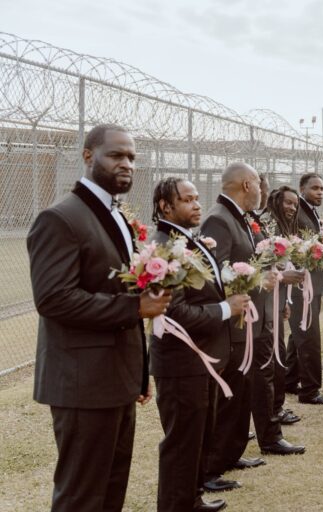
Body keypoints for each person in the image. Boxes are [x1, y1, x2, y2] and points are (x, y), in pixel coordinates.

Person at [27, 124, 172, 511]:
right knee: (82, 495)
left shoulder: (115, 215)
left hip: (114, 379)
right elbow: (54, 299)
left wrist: (137, 374)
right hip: (83, 382)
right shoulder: (60, 218)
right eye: (116, 155)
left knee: (110, 491)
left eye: (132, 158)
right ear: (88, 156)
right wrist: (135, 308)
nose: (127, 164)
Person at [150, 178, 252, 512]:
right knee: (182, 441)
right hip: (180, 360)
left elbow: (201, 290)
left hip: (201, 356)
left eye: (197, 198)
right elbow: (173, 310)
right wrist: (226, 308)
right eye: (187, 200)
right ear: (166, 206)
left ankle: (191, 498)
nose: (196, 205)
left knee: (198, 436)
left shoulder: (185, 240)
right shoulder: (163, 247)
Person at [201, 162, 276, 491]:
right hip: (231, 325)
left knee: (240, 393)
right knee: (226, 395)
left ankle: (231, 453)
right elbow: (219, 274)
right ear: (247, 185)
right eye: (259, 184)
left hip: (247, 320)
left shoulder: (240, 218)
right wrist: (259, 282)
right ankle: (211, 465)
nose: (262, 191)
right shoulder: (219, 218)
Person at [251, 186, 307, 454]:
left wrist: (285, 300)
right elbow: (266, 266)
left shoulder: (284, 225)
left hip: (277, 300)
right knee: (271, 361)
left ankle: (277, 408)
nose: (292, 208)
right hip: (263, 302)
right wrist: (285, 279)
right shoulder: (267, 224)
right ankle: (271, 413)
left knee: (279, 357)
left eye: (295, 204)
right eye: (288, 203)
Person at [285, 173, 323, 405]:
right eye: (315, 188)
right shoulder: (296, 211)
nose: (320, 192)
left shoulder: (310, 211)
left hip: (313, 281)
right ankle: (310, 390)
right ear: (302, 188)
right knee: (308, 336)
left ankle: (289, 379)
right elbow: (294, 246)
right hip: (301, 284)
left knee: (299, 336)